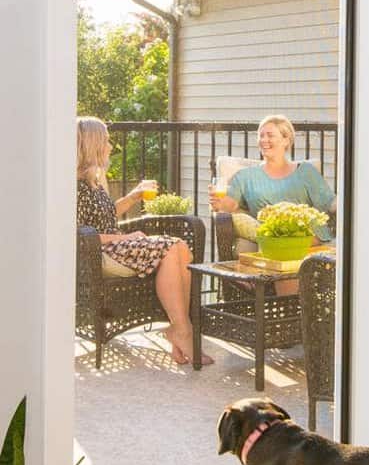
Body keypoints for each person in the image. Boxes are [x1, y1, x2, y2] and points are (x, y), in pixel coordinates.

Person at [76, 116, 213, 365]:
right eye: (106, 141)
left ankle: (180, 329)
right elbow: (76, 233)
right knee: (171, 249)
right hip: (100, 253)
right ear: (93, 144)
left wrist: (133, 197)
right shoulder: (74, 185)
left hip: (116, 246)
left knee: (180, 248)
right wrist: (126, 237)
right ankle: (182, 331)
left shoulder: (94, 181)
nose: (110, 146)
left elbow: (105, 217)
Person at [210, 114, 336, 241]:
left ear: (286, 140)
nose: (264, 140)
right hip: (274, 240)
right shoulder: (245, 176)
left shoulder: (306, 171)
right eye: (261, 135)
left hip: (310, 238)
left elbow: (329, 202)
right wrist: (218, 203)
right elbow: (231, 205)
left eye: (270, 135)